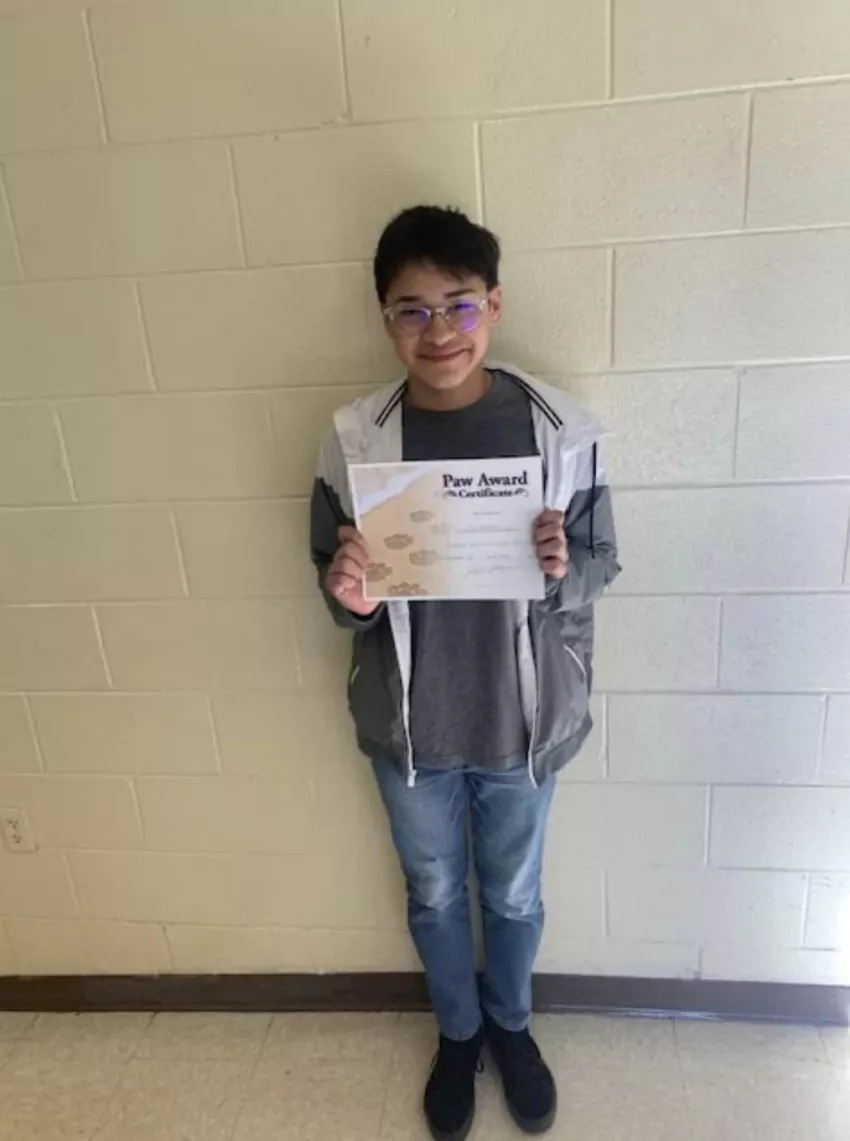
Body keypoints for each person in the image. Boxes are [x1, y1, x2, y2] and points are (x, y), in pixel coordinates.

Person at [310, 205, 620, 1140]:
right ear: (384, 317)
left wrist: (564, 566)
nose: (438, 330)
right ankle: (458, 1033)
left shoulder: (562, 428)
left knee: (515, 893)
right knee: (435, 893)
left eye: (459, 304)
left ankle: (511, 1026)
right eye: (411, 309)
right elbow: (336, 584)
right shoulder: (354, 437)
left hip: (522, 723)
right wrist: (350, 592)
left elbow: (602, 560)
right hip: (411, 728)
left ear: (495, 305)